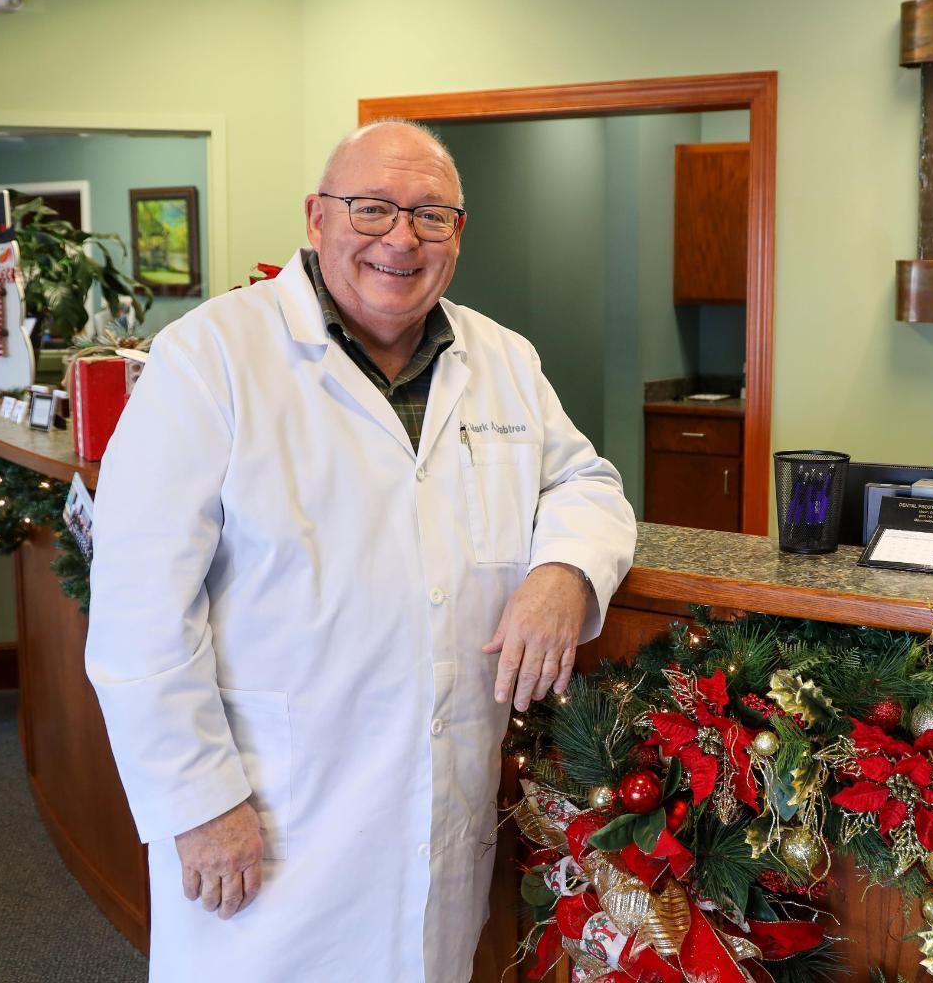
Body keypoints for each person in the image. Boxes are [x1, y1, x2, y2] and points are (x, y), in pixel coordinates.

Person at [85, 121, 637, 982]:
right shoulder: (211, 358)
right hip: (269, 813)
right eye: (371, 209)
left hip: (437, 813)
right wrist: (197, 802)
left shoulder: (501, 360)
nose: (400, 238)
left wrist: (564, 571)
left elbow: (585, 483)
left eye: (432, 215)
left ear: (459, 234)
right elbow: (136, 609)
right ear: (316, 217)